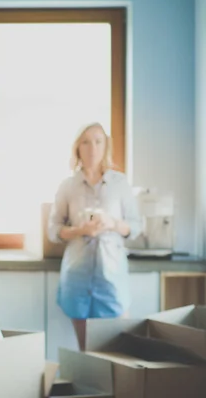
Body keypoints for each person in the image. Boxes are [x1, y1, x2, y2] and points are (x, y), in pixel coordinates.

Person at [48, 122, 141, 351]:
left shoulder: (120, 183)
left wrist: (112, 223)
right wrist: (81, 230)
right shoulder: (68, 186)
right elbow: (53, 230)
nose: (92, 148)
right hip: (77, 277)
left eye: (98, 141)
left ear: (106, 146)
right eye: (86, 142)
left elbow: (136, 226)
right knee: (86, 351)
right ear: (78, 148)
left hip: (112, 277)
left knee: (118, 350)